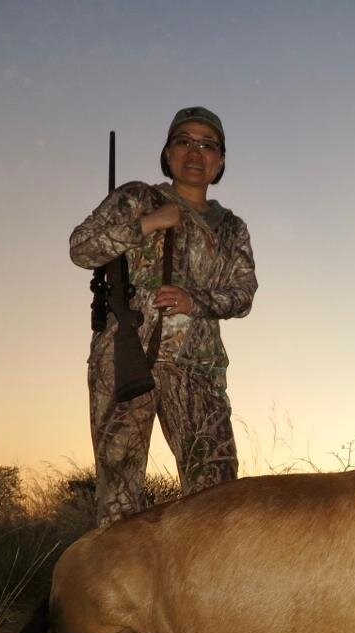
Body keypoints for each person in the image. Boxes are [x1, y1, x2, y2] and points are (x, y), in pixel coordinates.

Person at [70, 107, 257, 526]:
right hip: (124, 360)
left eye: (208, 144)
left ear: (221, 161)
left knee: (216, 494)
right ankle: (119, 590)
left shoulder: (232, 228)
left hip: (198, 371)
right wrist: (147, 224)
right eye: (184, 141)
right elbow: (81, 248)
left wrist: (197, 301)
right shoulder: (137, 198)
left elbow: (243, 295)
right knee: (119, 494)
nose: (196, 152)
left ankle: (203, 589)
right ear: (168, 153)